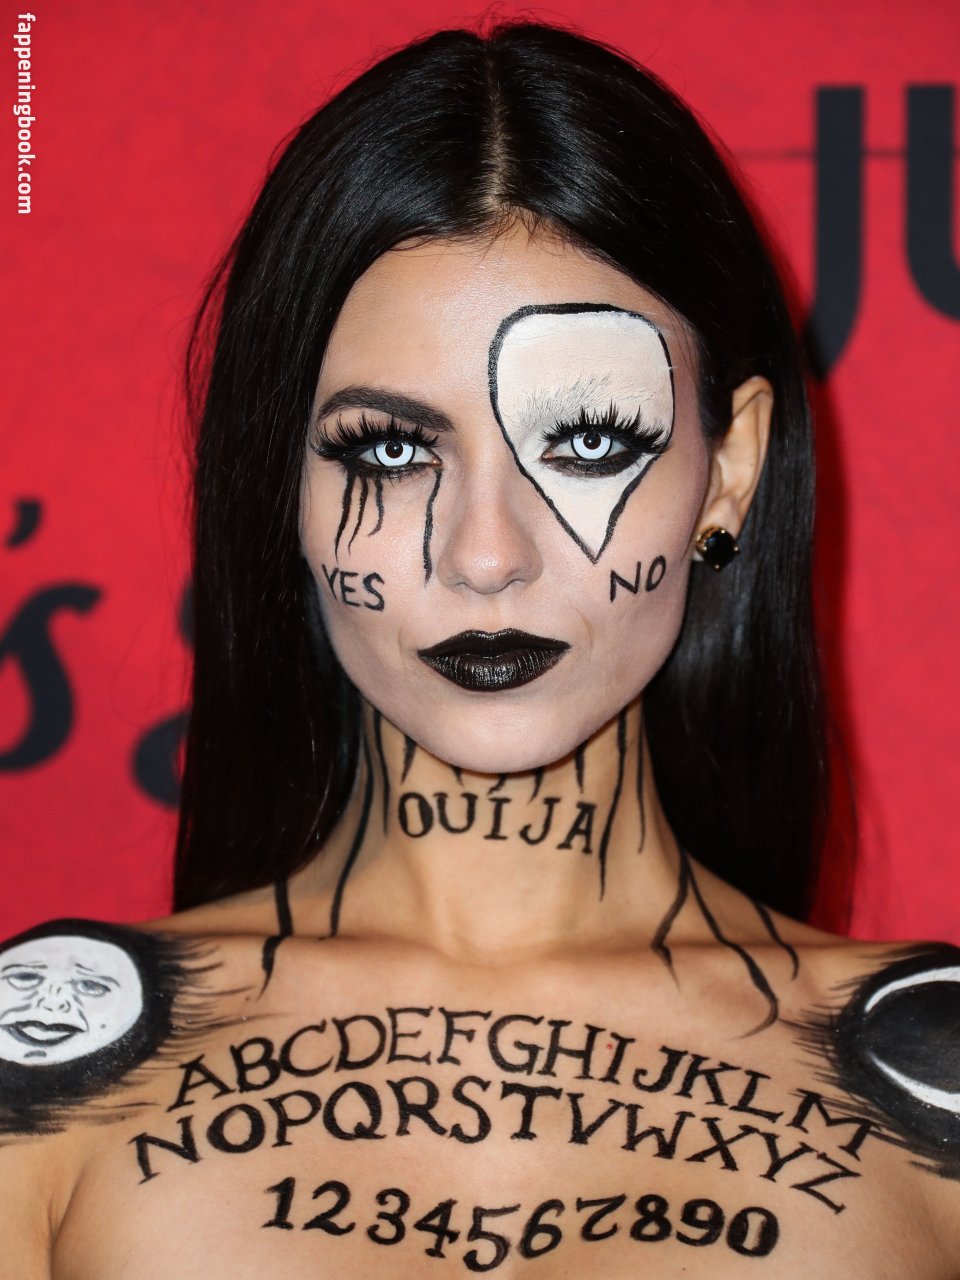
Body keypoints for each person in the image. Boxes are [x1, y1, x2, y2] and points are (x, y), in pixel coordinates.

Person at [3, 20, 958, 1277]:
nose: (487, 553)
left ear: (727, 472)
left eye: (590, 440)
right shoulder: (44, 1082)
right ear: (281, 482)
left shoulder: (928, 1101)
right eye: (392, 450)